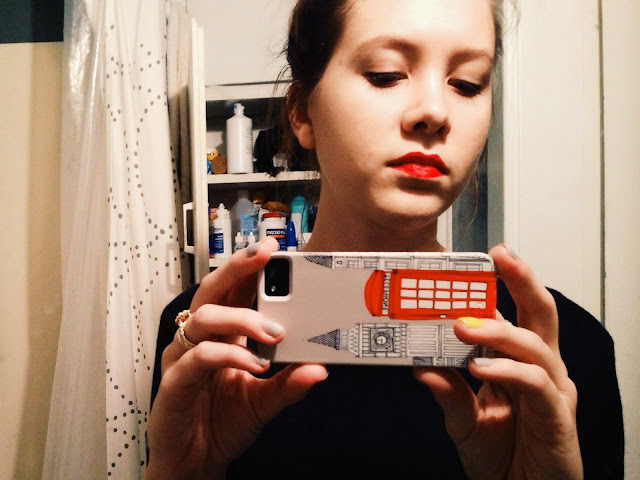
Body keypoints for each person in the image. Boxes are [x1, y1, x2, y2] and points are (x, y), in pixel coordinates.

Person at [146, 0, 624, 478]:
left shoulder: (561, 358)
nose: (434, 111)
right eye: (386, 74)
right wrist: (183, 471)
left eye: (467, 83)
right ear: (302, 113)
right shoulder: (207, 340)